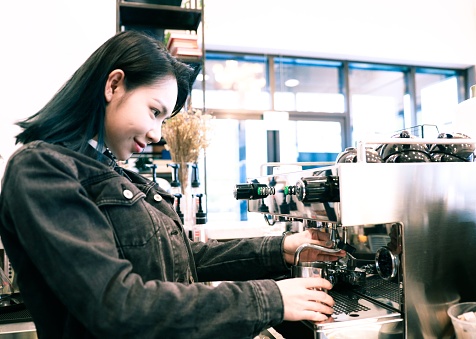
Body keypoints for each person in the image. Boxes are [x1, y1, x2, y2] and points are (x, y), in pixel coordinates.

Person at [0, 31, 344, 339]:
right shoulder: (42, 168)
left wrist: (280, 248)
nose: (157, 134)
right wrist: (272, 298)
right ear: (114, 85)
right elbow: (117, 305)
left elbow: (181, 258)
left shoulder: (111, 171)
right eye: (154, 111)